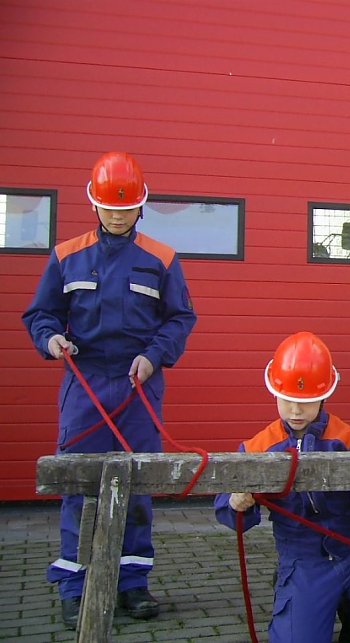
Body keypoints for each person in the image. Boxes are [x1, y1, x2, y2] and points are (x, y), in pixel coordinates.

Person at [22, 151, 197, 629]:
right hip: (84, 380)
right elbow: (40, 314)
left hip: (139, 380)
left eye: (126, 207)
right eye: (109, 206)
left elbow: (181, 318)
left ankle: (132, 584)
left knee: (137, 484)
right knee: (79, 483)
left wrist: (155, 355)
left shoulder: (161, 259)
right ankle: (75, 588)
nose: (117, 215)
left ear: (141, 206)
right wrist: (50, 338)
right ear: (94, 204)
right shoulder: (65, 255)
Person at [214, 331, 350, 643]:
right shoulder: (258, 447)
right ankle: (313, 599)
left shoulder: (349, 439)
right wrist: (236, 504)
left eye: (306, 402)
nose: (296, 411)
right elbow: (228, 509)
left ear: (323, 396)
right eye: (287, 400)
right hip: (304, 559)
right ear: (274, 392)